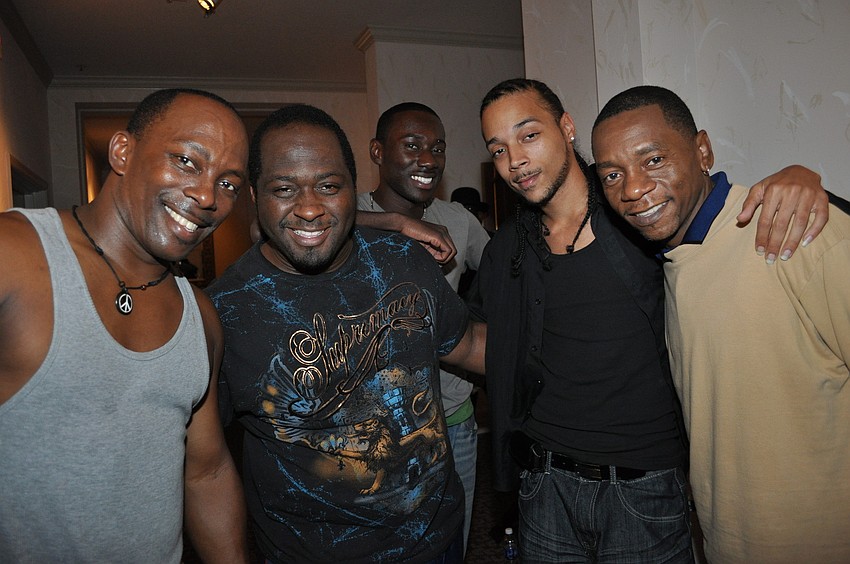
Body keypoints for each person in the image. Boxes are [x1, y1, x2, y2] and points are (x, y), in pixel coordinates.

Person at [470, 78, 828, 563]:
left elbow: (715, 209)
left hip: (644, 490)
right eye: (498, 149)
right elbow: (489, 345)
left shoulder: (640, 214)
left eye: (528, 135)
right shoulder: (507, 249)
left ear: (566, 128)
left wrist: (802, 175)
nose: (515, 160)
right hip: (545, 486)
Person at [206, 103, 486, 563]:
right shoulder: (225, 311)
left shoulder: (404, 258)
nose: (310, 208)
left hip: (437, 542)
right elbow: (205, 468)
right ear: (255, 195)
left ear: (352, 190)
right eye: (283, 188)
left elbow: (469, 344)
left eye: (329, 186)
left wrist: (570, 365)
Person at [592, 85, 850, 563]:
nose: (631, 189)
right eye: (612, 174)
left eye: (652, 160)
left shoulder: (797, 226)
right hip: (726, 541)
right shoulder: (669, 262)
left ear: (702, 150)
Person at [0, 89, 249, 563]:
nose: (207, 197)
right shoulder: (14, 255)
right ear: (123, 152)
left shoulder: (202, 318)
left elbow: (206, 472)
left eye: (229, 184)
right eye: (186, 162)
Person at [357, 102, 492, 553]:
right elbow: (281, 228)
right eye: (411, 145)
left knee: (452, 541)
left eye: (438, 148)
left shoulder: (458, 220)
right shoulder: (347, 214)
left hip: (452, 419)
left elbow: (507, 277)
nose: (429, 159)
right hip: (374, 431)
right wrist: (397, 224)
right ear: (378, 151)